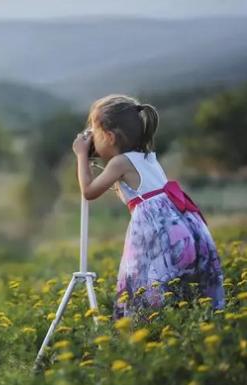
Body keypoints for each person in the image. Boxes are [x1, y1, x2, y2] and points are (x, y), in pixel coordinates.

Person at [72, 94, 225, 319]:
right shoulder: (146, 156)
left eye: (95, 132)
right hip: (183, 227)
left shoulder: (119, 163)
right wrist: (94, 155)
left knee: (145, 281)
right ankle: (190, 322)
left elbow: (89, 191)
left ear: (110, 136)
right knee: (179, 283)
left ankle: (149, 327)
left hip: (156, 233)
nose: (92, 138)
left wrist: (81, 155)